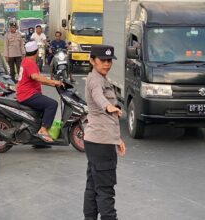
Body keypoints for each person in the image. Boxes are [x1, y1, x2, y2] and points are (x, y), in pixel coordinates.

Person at [83, 45, 126, 220]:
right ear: (92, 61)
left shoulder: (101, 78)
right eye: (103, 60)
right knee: (106, 190)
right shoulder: (95, 80)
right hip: (101, 144)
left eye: (109, 61)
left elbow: (109, 119)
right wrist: (108, 106)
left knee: (93, 186)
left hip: (98, 140)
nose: (107, 64)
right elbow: (98, 97)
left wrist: (118, 139)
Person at [17, 41, 64, 143]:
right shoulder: (30, 63)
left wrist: (53, 83)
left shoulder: (25, 60)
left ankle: (39, 140)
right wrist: (52, 81)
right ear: (36, 52)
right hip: (28, 95)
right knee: (52, 104)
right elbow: (35, 77)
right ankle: (43, 130)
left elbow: (37, 79)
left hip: (26, 93)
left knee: (44, 107)